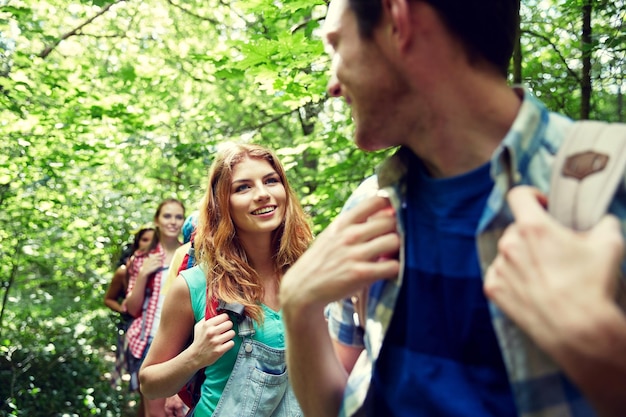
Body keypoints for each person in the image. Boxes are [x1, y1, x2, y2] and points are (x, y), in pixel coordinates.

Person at [278, 1, 626, 417]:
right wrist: (298, 309)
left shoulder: (612, 184)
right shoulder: (367, 212)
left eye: (336, 44)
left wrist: (602, 354)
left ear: (398, 19)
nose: (332, 84)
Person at [139, 143, 313, 416]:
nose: (263, 194)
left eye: (271, 180)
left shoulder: (314, 274)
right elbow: (149, 383)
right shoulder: (195, 285)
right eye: (243, 187)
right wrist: (194, 356)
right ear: (223, 203)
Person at [125, 198, 185, 417]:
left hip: (182, 341)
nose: (173, 222)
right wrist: (143, 274)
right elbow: (132, 309)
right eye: (167, 216)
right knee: (156, 410)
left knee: (181, 407)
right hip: (148, 339)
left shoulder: (190, 254)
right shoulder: (142, 258)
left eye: (178, 217)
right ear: (157, 220)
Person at [104, 225, 155, 397]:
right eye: (144, 239)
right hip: (135, 328)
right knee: (144, 389)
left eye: (153, 240)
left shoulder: (164, 267)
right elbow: (108, 299)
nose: (148, 244)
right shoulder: (125, 271)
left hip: (156, 328)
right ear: (137, 243)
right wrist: (124, 310)